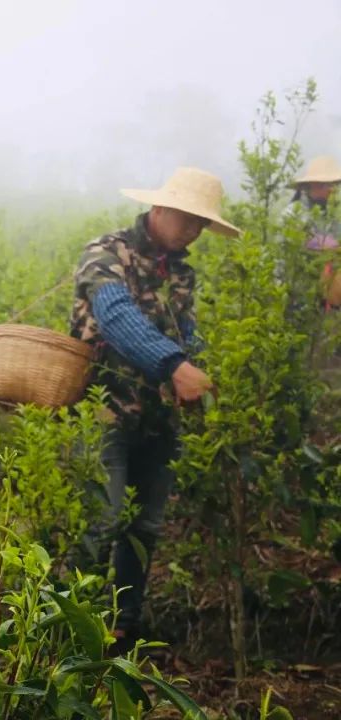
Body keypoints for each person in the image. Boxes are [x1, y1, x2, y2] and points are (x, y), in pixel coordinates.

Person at [69, 167, 241, 652]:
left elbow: (186, 332)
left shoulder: (182, 273)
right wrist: (174, 365)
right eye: (187, 219)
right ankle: (67, 625)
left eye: (200, 224)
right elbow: (116, 315)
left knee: (144, 525)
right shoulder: (105, 254)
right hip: (104, 413)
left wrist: (202, 368)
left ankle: (125, 628)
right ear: (159, 209)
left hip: (159, 419)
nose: (192, 231)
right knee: (100, 521)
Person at [288, 156, 341, 306]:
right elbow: (305, 242)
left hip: (322, 298)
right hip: (296, 293)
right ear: (313, 185)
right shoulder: (293, 213)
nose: (331, 190)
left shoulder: (329, 218)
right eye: (327, 185)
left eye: (333, 185)